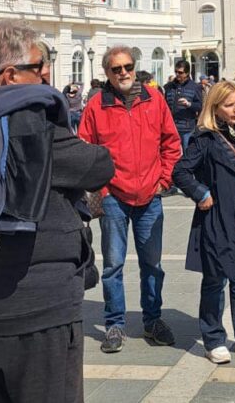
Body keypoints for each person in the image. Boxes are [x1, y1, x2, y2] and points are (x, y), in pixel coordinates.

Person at [0, 20, 114, 403]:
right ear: (10, 76)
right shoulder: (30, 123)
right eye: (39, 65)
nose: (47, 72)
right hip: (40, 308)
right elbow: (98, 165)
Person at [78, 45, 182, 354]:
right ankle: (115, 324)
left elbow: (171, 143)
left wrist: (163, 179)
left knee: (153, 264)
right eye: (116, 69)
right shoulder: (97, 106)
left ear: (134, 67)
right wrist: (104, 188)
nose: (123, 73)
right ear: (106, 73)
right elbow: (85, 150)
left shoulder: (154, 99)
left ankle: (152, 320)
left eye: (127, 67)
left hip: (150, 196)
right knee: (113, 265)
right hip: (114, 197)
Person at [171, 81, 235, 364]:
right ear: (215, 108)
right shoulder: (206, 140)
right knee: (215, 280)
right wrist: (201, 193)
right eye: (229, 105)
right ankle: (213, 337)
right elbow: (181, 172)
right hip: (217, 218)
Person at [163, 60, 204, 153]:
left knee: (187, 153)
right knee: (172, 153)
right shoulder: (168, 87)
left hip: (187, 129)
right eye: (176, 72)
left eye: (180, 72)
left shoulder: (195, 87)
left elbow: (199, 106)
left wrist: (189, 104)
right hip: (171, 128)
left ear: (187, 73)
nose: (177, 74)